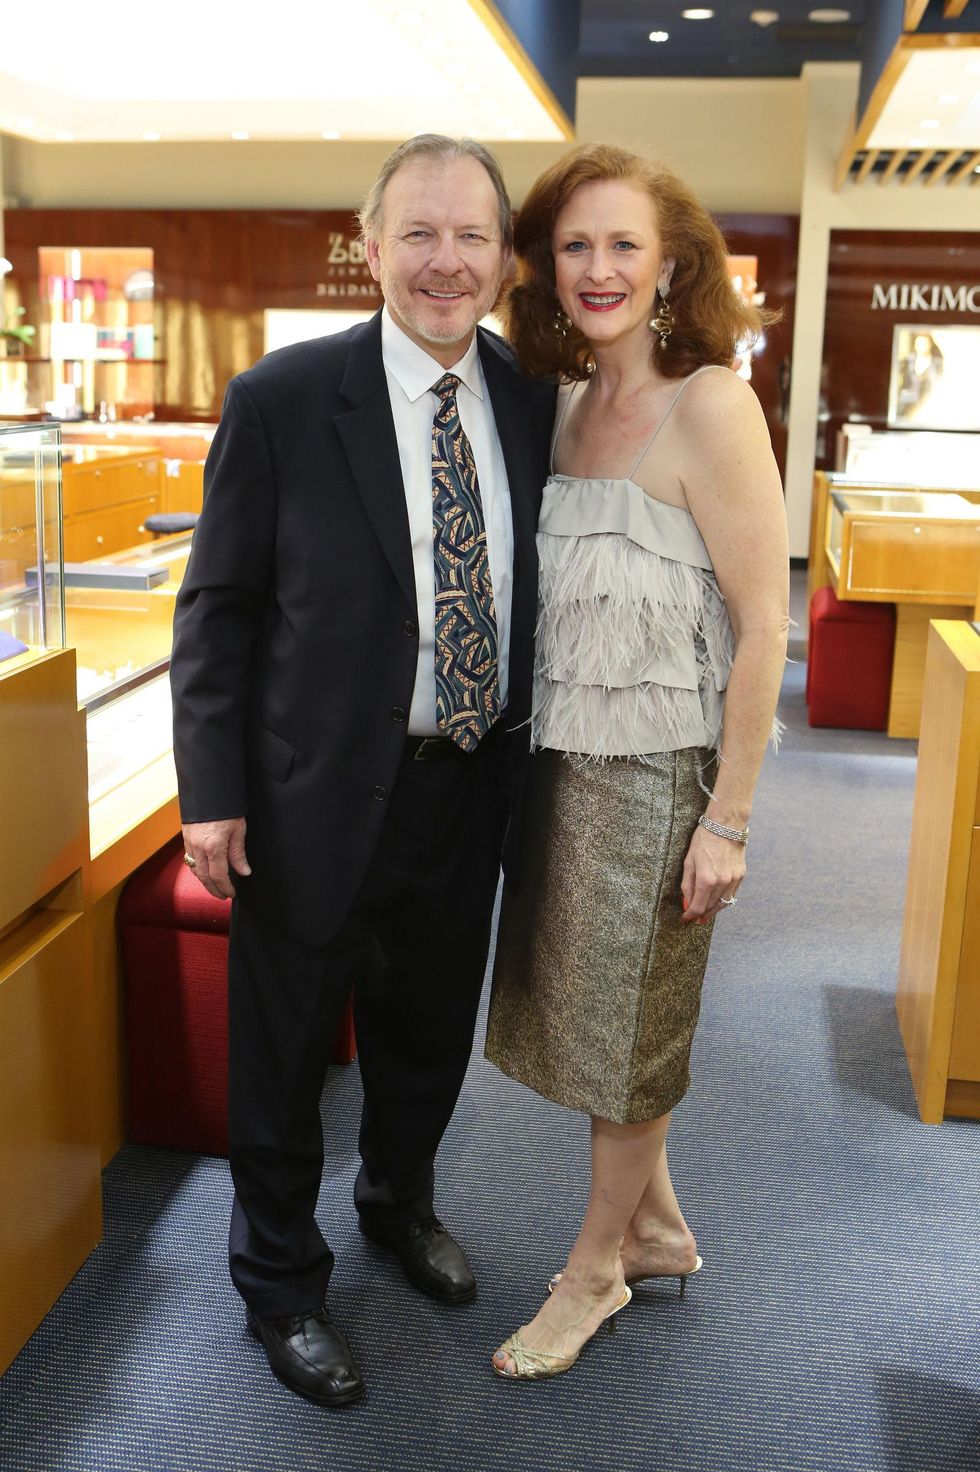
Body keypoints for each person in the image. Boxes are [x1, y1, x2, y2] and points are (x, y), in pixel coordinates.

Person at [170, 134, 556, 1408]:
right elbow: (217, 613)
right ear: (371, 245)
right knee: (281, 1057)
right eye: (418, 233)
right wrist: (211, 790)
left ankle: (398, 1203)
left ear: (504, 259)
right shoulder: (282, 399)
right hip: (310, 794)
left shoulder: (528, 400)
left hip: (465, 787)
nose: (445, 260)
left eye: (471, 237)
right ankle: (278, 1283)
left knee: (422, 1038)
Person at [484, 143, 789, 1381]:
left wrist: (729, 818)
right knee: (588, 1022)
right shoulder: (558, 404)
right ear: (545, 266)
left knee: (631, 1036)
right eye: (574, 244)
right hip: (559, 766)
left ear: (670, 263)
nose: (597, 268)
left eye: (623, 244)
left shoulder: (708, 400)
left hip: (664, 778)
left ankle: (594, 1269)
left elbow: (766, 623)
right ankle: (655, 1228)